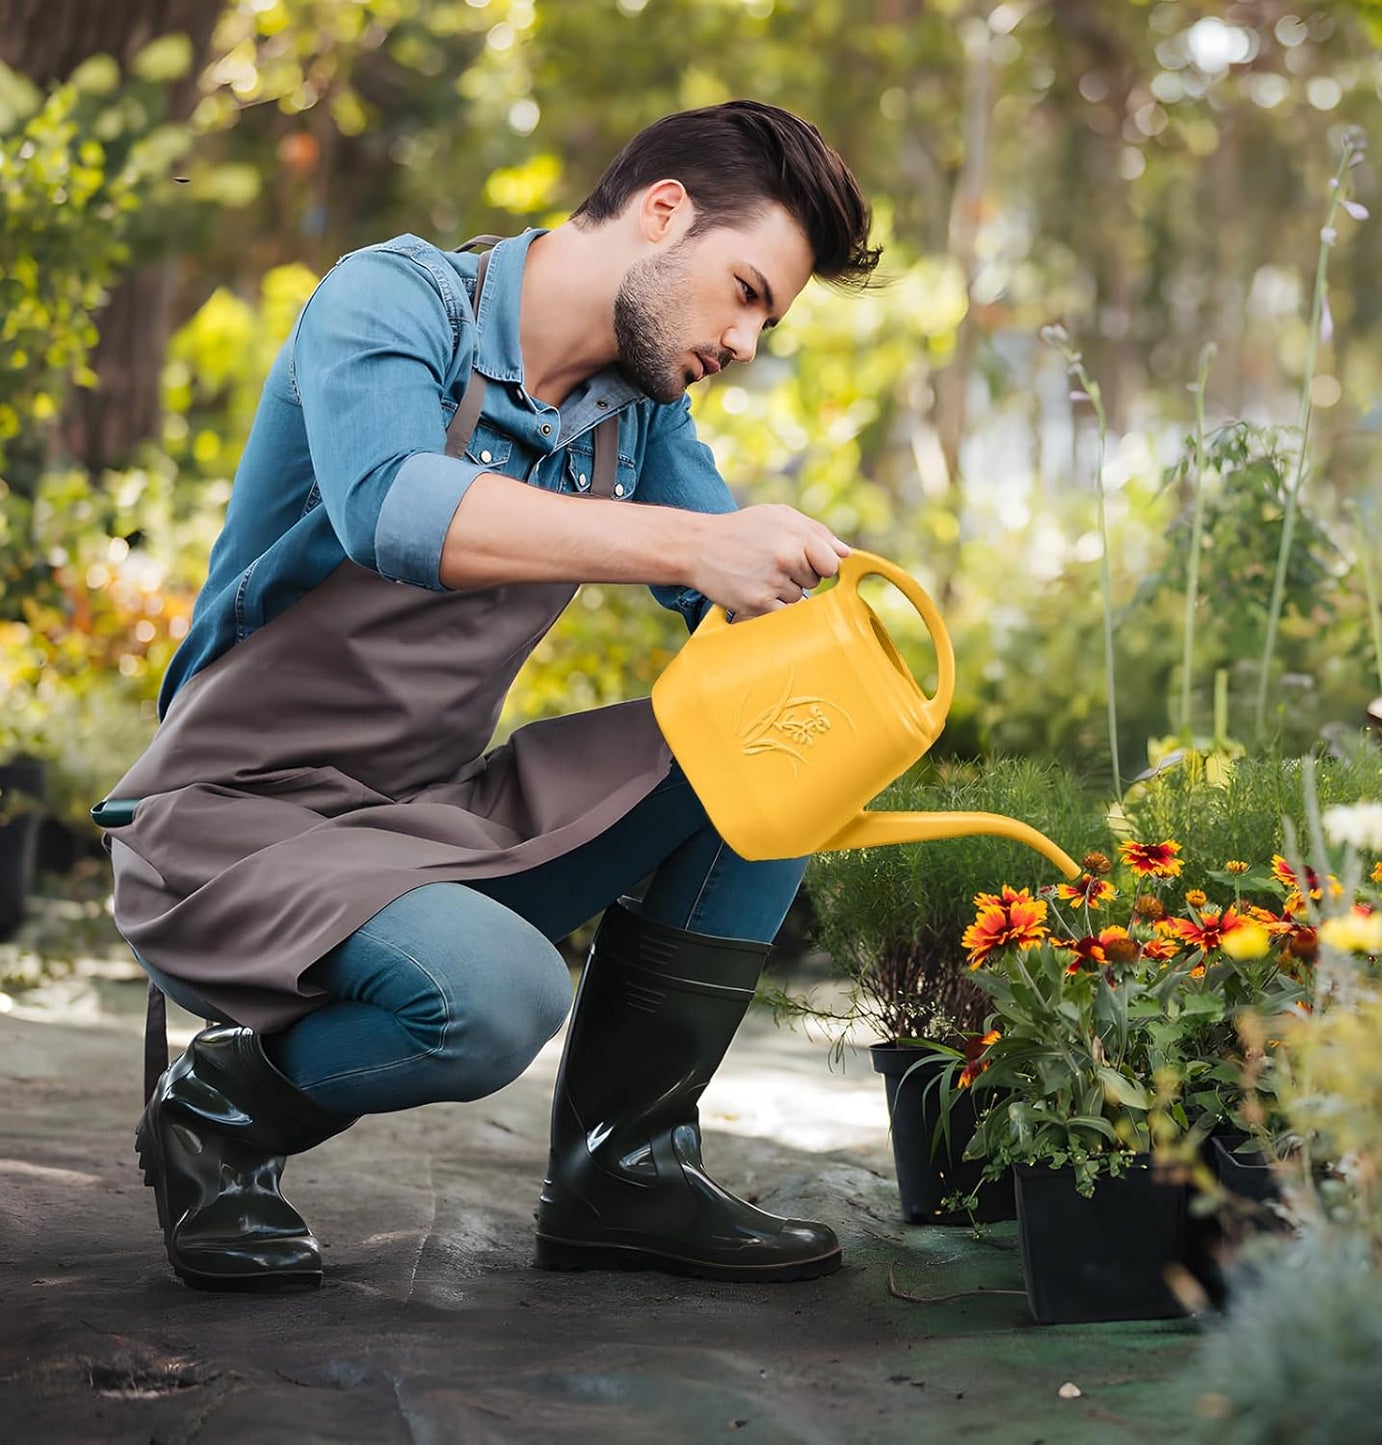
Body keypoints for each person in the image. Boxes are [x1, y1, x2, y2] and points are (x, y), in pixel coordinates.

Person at [98, 99, 880, 1293]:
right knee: (495, 998)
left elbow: (734, 599)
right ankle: (221, 1106)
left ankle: (622, 1169)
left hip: (424, 817)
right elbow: (394, 507)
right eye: (744, 292)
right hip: (236, 820)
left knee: (778, 746)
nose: (743, 340)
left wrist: (843, 638)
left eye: (763, 318)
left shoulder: (637, 413)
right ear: (661, 211)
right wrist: (688, 544)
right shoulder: (393, 301)